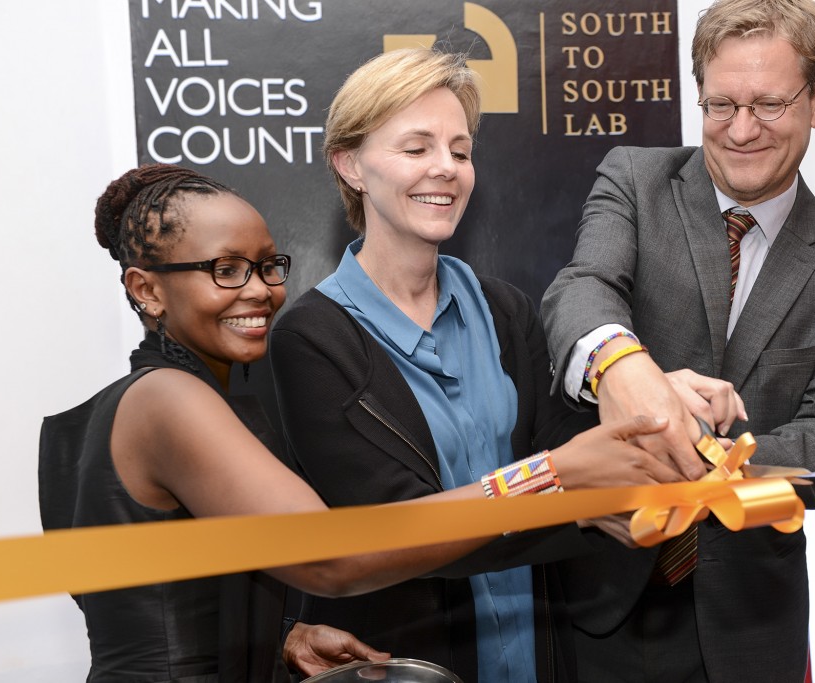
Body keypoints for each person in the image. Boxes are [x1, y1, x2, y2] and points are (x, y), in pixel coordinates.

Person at [38, 163, 673, 682]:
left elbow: (168, 595)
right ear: (146, 290)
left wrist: (285, 637)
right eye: (223, 270)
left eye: (266, 265)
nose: (258, 291)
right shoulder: (169, 401)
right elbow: (335, 556)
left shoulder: (190, 396)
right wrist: (550, 475)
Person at [268, 48, 701, 683]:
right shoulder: (312, 337)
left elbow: (576, 454)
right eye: (417, 148)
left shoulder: (502, 309)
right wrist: (560, 482)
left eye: (461, 151)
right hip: (406, 662)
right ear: (351, 164)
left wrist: (656, 407)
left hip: (539, 651)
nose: (445, 169)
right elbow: (393, 533)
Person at [540, 1, 815, 681]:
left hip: (750, 625)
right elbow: (580, 290)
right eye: (720, 105)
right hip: (603, 603)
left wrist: (691, 450)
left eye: (767, 105)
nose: (741, 131)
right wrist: (627, 372)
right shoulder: (635, 181)